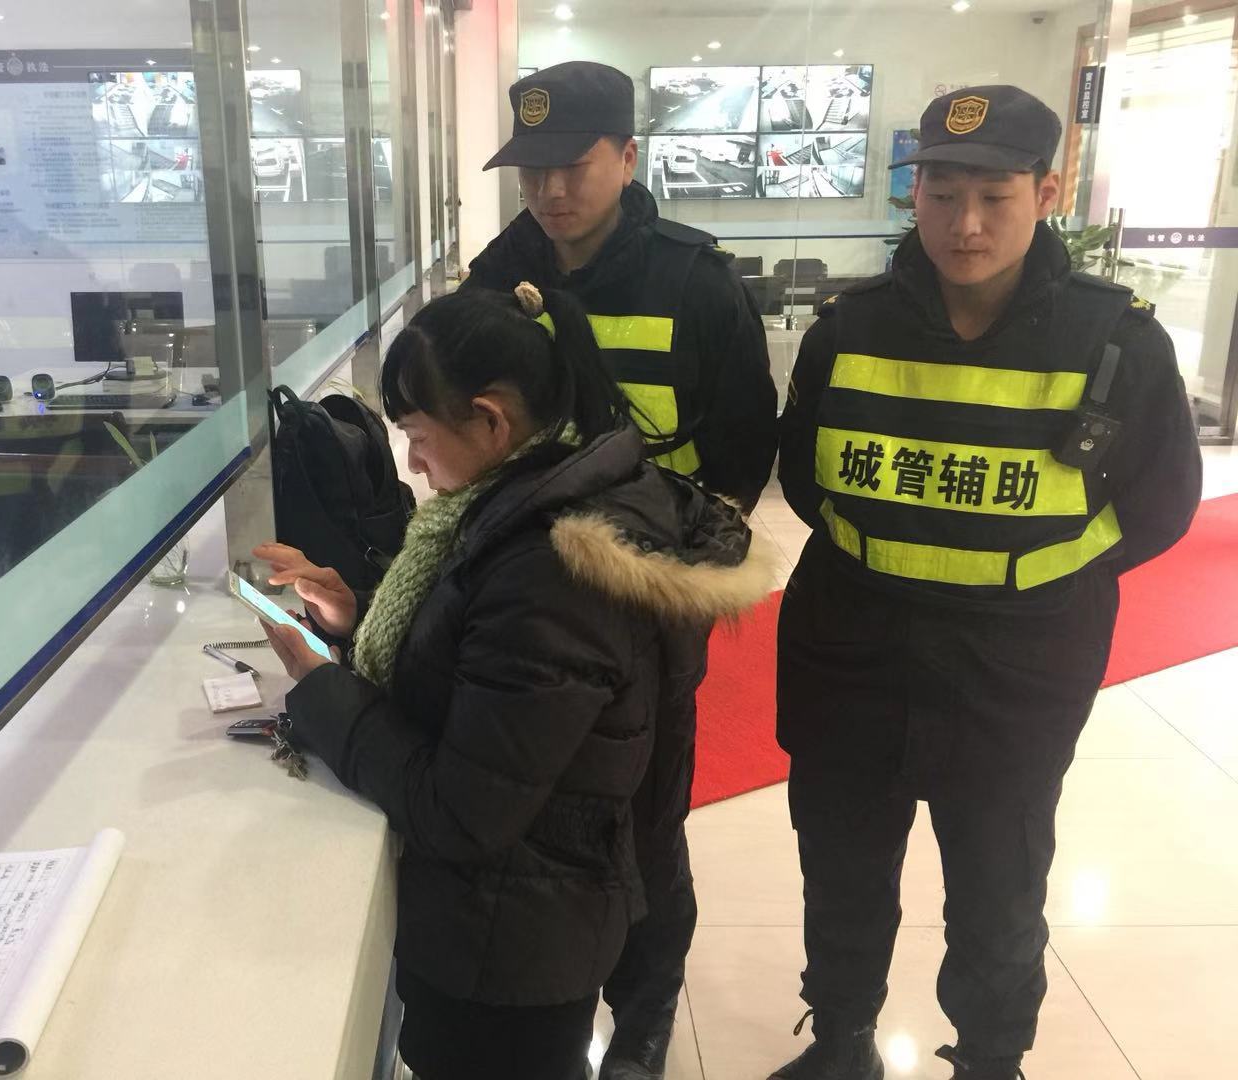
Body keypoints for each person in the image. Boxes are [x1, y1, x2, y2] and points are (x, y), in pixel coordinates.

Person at [770, 86, 1203, 1080]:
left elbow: (1160, 505)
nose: (965, 225)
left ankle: (990, 1061)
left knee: (999, 893)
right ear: (913, 194)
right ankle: (841, 1042)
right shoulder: (848, 329)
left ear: (1046, 193)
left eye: (995, 197)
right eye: (942, 194)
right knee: (841, 876)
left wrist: (1025, 577)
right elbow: (804, 477)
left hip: (1018, 669)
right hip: (853, 655)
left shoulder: (1118, 341)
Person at [255, 284, 775, 1080]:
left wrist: (321, 687)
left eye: (418, 436)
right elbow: (477, 669)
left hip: (508, 945)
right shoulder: (534, 499)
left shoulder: (548, 570)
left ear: (491, 421)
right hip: (525, 918)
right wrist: (355, 615)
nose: (414, 463)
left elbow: (462, 810)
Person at [466, 60, 779, 1079]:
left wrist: (678, 563)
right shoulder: (497, 272)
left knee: (645, 815)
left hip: (647, 600)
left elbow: (742, 449)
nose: (551, 191)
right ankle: (552, 991)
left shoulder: (694, 281)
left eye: (575, 165)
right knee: (532, 802)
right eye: (532, 171)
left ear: (629, 158)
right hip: (526, 593)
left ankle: (643, 1012)